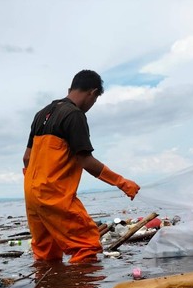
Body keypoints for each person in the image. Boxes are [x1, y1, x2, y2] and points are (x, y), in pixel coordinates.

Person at [22, 70, 140, 263]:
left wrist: (36, 185)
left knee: (46, 253)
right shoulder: (74, 115)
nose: (91, 105)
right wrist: (122, 182)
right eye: (94, 100)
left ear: (71, 88)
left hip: (32, 194)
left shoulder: (41, 114)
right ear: (92, 93)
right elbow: (86, 161)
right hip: (54, 194)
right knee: (87, 246)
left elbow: (27, 158)